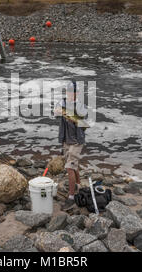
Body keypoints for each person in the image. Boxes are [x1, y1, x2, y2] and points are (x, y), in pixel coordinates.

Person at [55, 81, 88, 211]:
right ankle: (78, 185)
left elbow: (82, 118)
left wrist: (71, 115)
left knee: (69, 167)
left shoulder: (81, 106)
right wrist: (58, 111)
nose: (70, 94)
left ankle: (71, 197)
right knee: (73, 165)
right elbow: (56, 112)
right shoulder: (61, 102)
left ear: (77, 93)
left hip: (77, 141)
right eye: (68, 91)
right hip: (66, 140)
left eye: (72, 92)